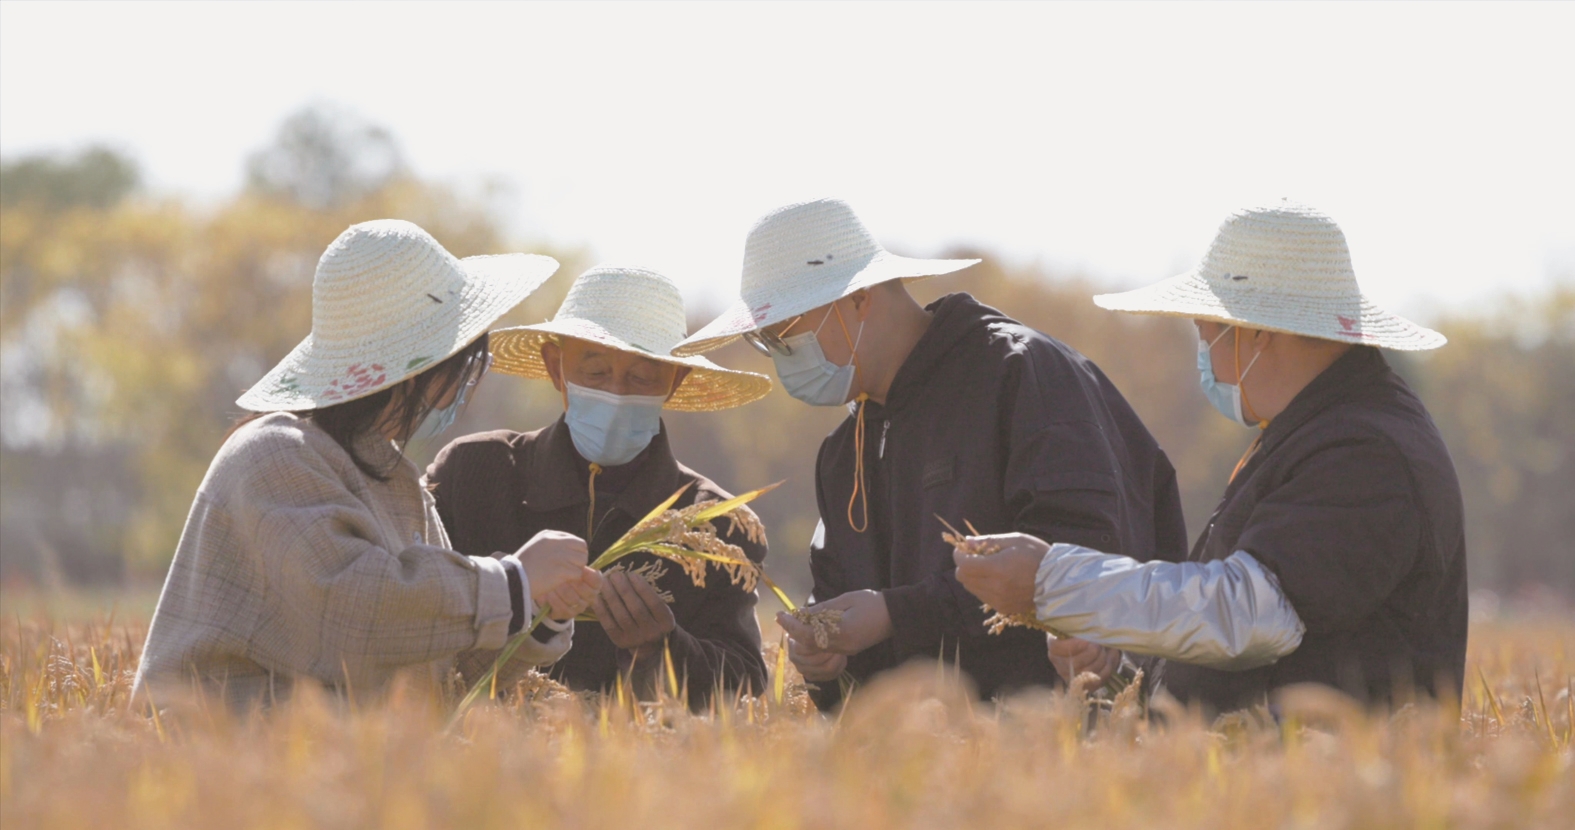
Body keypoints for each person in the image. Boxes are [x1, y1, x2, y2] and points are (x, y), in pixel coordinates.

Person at [953, 200, 1467, 712]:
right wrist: (1116, 673)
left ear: (1257, 331)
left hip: (1314, 786)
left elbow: (1250, 617)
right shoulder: (1316, 433)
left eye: (1206, 334)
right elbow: (1240, 651)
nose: (1205, 357)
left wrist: (1055, 581)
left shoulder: (1364, 453)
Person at [677, 198, 1187, 708]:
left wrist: (895, 614)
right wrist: (824, 657)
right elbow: (843, 607)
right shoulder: (842, 454)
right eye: (764, 341)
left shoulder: (1021, 376)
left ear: (858, 298)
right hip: (917, 765)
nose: (781, 354)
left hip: (1054, 750)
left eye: (785, 332)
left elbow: (1080, 569)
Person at [134, 220, 603, 710]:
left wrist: (535, 612)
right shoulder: (273, 455)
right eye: (465, 369)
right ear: (420, 371)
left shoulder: (392, 481)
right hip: (216, 763)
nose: (466, 389)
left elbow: (438, 668)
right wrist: (514, 582)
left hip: (324, 768)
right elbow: (354, 616)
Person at [427, 265, 775, 708]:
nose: (616, 393)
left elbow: (744, 685)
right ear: (557, 369)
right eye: (595, 372)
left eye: (642, 378)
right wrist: (509, 585)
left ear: (675, 381)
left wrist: (663, 648)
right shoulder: (474, 473)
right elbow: (411, 611)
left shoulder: (718, 525)